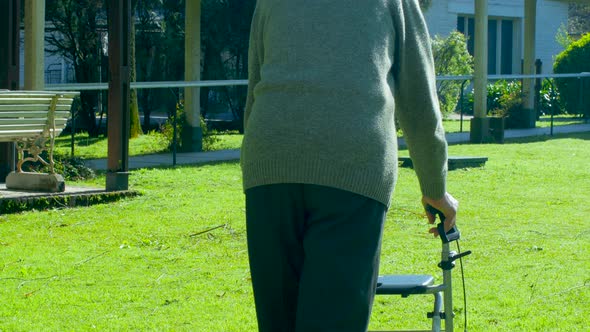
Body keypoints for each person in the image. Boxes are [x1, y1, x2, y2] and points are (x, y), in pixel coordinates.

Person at [240, 0, 458, 331]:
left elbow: (255, 82)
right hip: (352, 167)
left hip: (268, 168)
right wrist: (434, 188)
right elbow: (419, 99)